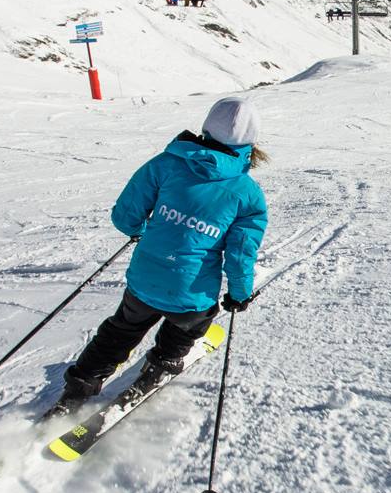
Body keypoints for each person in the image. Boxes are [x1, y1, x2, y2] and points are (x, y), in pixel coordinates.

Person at [47, 96, 270, 416]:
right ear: (250, 142)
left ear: (207, 126)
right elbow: (239, 256)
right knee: (190, 325)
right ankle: (164, 361)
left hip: (144, 280)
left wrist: (139, 228)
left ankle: (81, 383)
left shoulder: (167, 163)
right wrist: (239, 294)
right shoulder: (247, 193)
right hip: (191, 292)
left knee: (122, 329)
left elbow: (126, 215)